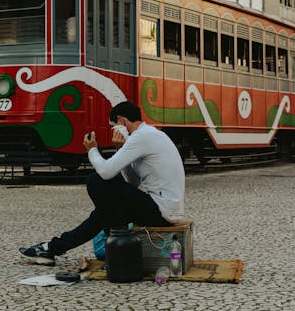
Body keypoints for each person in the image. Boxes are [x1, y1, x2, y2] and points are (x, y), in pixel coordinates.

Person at [19, 101, 185, 265]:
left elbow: (105, 172)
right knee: (103, 211)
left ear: (122, 121)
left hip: (162, 210)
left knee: (95, 181)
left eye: (113, 126)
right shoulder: (149, 134)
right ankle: (52, 248)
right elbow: (133, 182)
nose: (113, 132)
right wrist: (120, 149)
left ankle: (114, 248)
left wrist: (92, 149)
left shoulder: (142, 137)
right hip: (163, 208)